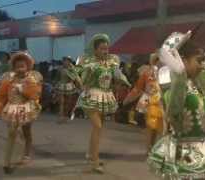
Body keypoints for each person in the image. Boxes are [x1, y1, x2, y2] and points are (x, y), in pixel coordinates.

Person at [148, 31, 205, 179]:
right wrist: (179, 79)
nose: (203, 66)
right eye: (199, 61)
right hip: (182, 152)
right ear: (183, 60)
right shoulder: (172, 84)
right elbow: (173, 112)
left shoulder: (193, 84)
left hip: (200, 149)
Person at [78, 34, 131, 173]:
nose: (105, 51)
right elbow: (82, 79)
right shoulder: (89, 63)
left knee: (98, 128)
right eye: (102, 49)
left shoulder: (111, 63)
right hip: (92, 96)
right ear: (95, 50)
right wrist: (85, 77)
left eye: (106, 49)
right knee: (97, 126)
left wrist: (125, 81)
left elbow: (118, 75)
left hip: (105, 96)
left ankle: (90, 154)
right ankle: (95, 162)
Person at [0, 52, 42, 174]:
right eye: (18, 66)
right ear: (13, 67)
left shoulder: (32, 79)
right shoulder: (7, 80)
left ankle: (26, 154)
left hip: (26, 109)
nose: (20, 69)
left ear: (28, 67)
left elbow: (35, 95)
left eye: (23, 66)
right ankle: (7, 163)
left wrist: (23, 90)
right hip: (12, 110)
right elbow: (1, 97)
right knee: (11, 134)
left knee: (27, 132)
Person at [124, 53, 164, 154]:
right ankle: (150, 148)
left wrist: (128, 99)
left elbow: (138, 88)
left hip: (154, 100)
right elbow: (138, 88)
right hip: (152, 100)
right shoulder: (149, 73)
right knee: (152, 126)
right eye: (158, 60)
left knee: (153, 126)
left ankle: (151, 148)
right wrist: (128, 99)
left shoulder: (149, 73)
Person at [54, 56, 82, 123]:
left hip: (69, 86)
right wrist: (55, 84)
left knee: (68, 102)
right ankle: (60, 117)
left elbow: (76, 78)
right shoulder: (60, 69)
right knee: (61, 102)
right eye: (64, 61)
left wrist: (79, 85)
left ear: (69, 62)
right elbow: (57, 77)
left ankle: (65, 115)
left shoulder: (72, 69)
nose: (65, 62)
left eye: (67, 61)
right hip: (60, 86)